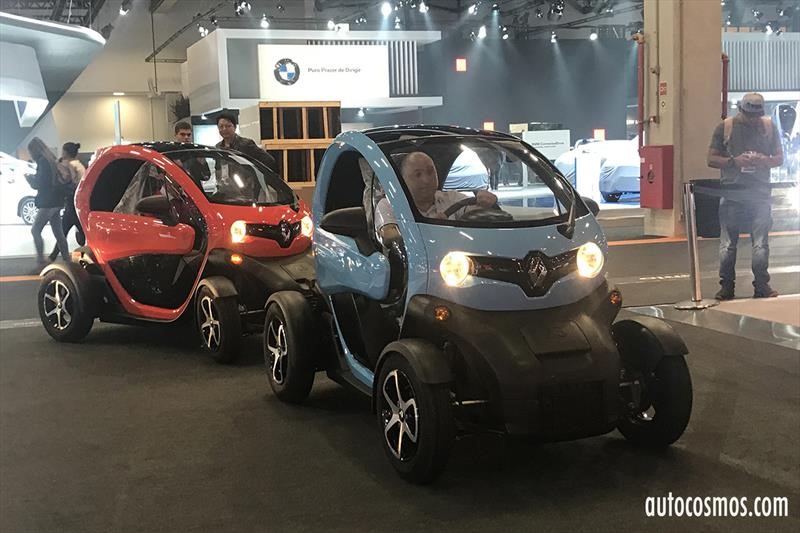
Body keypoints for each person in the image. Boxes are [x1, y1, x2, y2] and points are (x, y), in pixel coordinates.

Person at [707, 92, 784, 300]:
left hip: (760, 193)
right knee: (727, 245)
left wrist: (763, 160)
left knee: (761, 244)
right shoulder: (726, 127)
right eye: (749, 115)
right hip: (732, 193)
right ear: (741, 109)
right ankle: (726, 287)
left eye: (756, 115)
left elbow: (779, 158)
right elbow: (711, 158)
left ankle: (761, 285)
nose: (753, 119)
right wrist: (734, 161)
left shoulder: (768, 126)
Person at [373, 151, 497, 242]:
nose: (426, 180)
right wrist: (430, 228)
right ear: (403, 180)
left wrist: (484, 203)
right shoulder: (389, 204)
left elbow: (472, 212)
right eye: (418, 175)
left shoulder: (451, 198)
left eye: (430, 172)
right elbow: (388, 233)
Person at [26, 138, 70, 265]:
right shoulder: (51, 160)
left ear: (35, 150)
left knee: (35, 230)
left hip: (48, 202)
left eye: (31, 152)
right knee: (58, 233)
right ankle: (67, 260)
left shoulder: (43, 161)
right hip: (57, 201)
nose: (31, 155)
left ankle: (41, 261)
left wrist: (30, 179)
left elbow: (40, 183)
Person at [48, 142, 86, 261]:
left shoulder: (70, 165)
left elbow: (69, 182)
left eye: (62, 150)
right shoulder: (80, 165)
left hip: (72, 202)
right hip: (79, 203)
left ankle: (54, 257)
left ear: (65, 152)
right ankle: (54, 256)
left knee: (65, 231)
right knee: (66, 231)